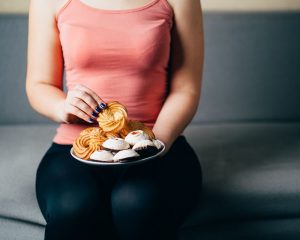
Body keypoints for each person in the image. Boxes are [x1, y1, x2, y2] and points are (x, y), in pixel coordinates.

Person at [26, 0, 204, 239]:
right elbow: (39, 85)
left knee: (137, 205)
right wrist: (62, 107)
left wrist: (149, 145)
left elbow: (186, 89)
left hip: (161, 144)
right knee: (74, 210)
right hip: (75, 148)